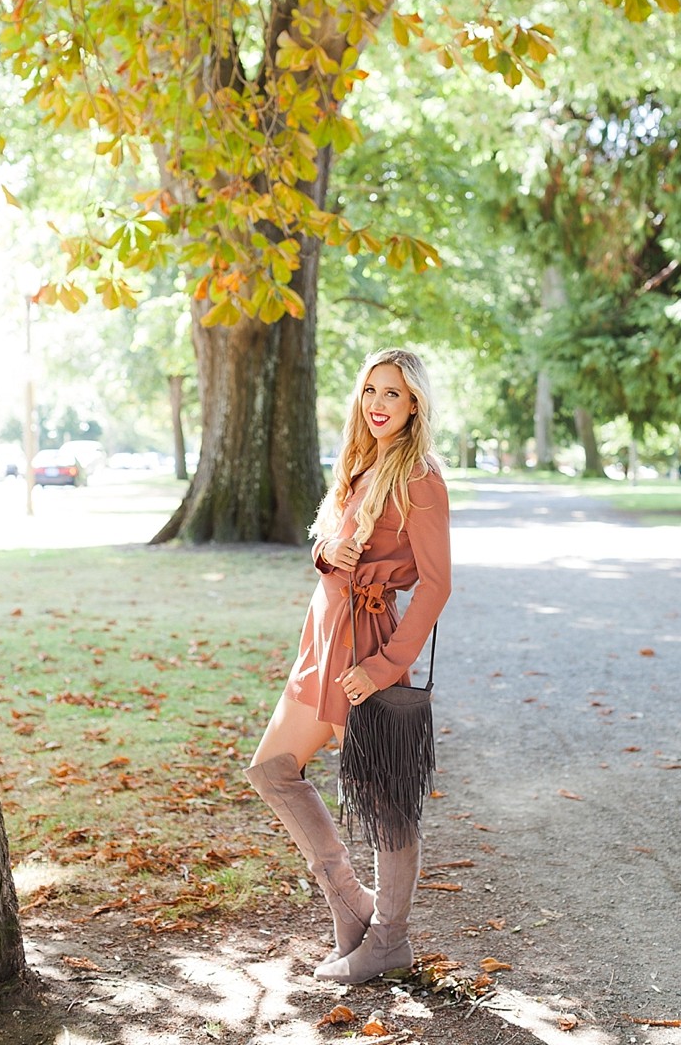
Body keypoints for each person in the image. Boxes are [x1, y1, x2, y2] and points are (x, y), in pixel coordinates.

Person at [244, 347, 452, 984]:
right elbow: (332, 548)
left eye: (393, 393)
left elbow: (436, 585)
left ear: (414, 402)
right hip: (322, 639)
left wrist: (386, 666)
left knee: (386, 802)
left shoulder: (419, 476)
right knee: (273, 770)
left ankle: (389, 938)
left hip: (366, 646)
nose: (378, 405)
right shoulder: (363, 464)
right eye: (370, 391)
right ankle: (350, 904)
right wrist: (326, 550)